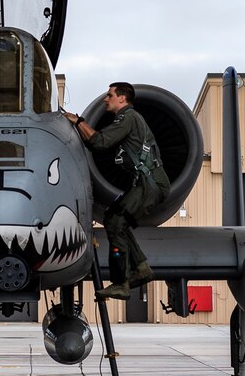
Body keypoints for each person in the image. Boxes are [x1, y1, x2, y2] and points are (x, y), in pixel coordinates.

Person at [62, 83, 169, 300]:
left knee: (117, 222)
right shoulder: (128, 119)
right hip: (144, 183)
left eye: (110, 95)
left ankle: (121, 283)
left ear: (122, 98)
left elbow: (100, 141)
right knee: (113, 219)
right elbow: (95, 144)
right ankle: (141, 268)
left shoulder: (128, 118)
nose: (105, 99)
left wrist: (78, 122)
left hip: (150, 184)